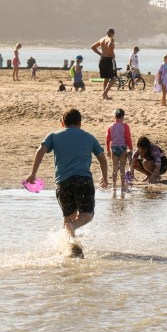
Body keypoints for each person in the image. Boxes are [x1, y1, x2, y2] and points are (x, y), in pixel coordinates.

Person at [24, 108, 109, 252]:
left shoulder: (54, 135)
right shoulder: (89, 137)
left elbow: (40, 151)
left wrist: (33, 174)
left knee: (68, 217)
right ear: (80, 123)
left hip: (63, 183)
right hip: (83, 181)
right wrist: (105, 177)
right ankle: (73, 229)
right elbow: (102, 157)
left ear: (62, 123)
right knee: (87, 214)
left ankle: (70, 244)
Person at [106, 109, 133, 194]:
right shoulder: (125, 126)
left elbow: (108, 139)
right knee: (122, 168)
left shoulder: (110, 126)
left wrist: (107, 150)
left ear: (114, 117)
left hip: (113, 147)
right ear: (123, 116)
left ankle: (114, 186)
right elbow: (128, 138)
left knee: (114, 168)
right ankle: (123, 187)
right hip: (122, 148)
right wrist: (131, 148)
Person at [90, 29, 117, 100]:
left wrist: (100, 53)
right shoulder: (111, 39)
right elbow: (109, 44)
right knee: (113, 79)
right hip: (108, 60)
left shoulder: (102, 39)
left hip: (102, 60)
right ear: (113, 34)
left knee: (106, 79)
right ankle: (104, 93)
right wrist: (112, 54)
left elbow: (92, 47)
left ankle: (105, 96)